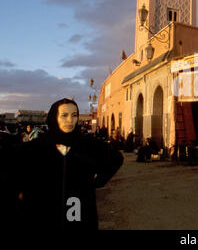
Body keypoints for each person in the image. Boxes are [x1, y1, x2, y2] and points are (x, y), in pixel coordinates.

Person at [8, 98, 123, 230]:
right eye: (64, 115)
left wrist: (97, 181)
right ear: (54, 118)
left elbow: (116, 158)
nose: (70, 120)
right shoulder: (36, 148)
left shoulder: (87, 145)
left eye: (74, 115)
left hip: (77, 214)